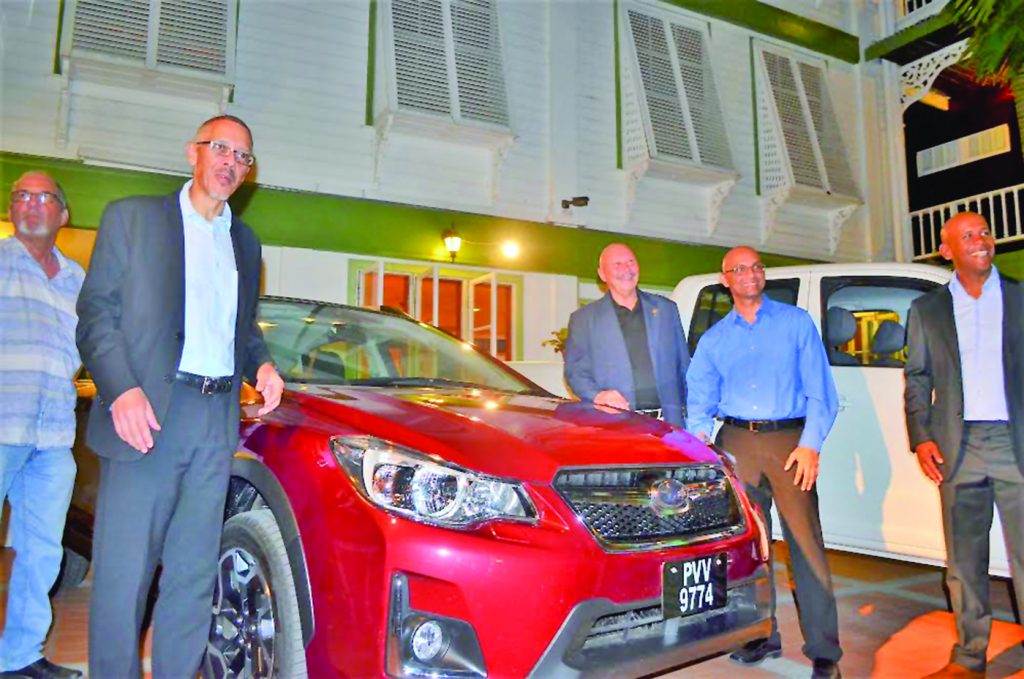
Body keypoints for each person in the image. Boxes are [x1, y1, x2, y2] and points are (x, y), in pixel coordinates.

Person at [76, 114, 284, 678]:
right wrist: (122, 390)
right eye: (221, 148)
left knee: (193, 575)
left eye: (243, 157)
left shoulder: (245, 241)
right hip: (147, 416)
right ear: (193, 151)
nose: (231, 163)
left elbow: (240, 329)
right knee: (125, 574)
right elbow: (96, 315)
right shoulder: (134, 218)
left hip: (214, 421)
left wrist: (263, 364)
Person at [686, 246, 842, 679]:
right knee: (751, 550)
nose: (750, 274)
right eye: (740, 269)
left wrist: (811, 444)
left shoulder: (796, 323)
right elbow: (698, 399)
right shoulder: (715, 338)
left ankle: (824, 651)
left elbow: (820, 390)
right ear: (726, 280)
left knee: (806, 546)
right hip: (737, 444)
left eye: (756, 267)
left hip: (792, 443)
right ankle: (759, 635)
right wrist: (707, 450)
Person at [904, 212, 1024, 679]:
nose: (981, 241)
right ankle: (971, 655)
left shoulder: (1017, 297)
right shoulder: (927, 310)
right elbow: (917, 378)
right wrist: (922, 437)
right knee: (964, 560)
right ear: (947, 250)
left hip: (1015, 443)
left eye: (985, 233)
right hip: (959, 445)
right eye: (968, 236)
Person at [0, 172, 84, 679]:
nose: (32, 205)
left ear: (63, 214)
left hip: (53, 435)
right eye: (21, 197)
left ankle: (19, 657)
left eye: (44, 197)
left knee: (42, 552)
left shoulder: (77, 279)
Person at [563, 243, 689, 426]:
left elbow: (684, 367)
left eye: (631, 262)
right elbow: (575, 372)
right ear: (602, 274)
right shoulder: (584, 319)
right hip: (615, 426)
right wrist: (598, 395)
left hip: (668, 426)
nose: (626, 269)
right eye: (617, 264)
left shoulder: (666, 309)